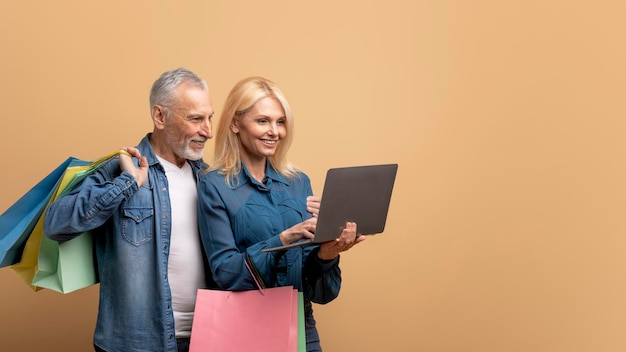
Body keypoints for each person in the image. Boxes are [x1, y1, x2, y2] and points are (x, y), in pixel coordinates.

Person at [43, 68, 215, 352]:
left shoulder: (210, 179)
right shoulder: (118, 170)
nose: (208, 131)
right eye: (196, 119)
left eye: (209, 117)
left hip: (205, 339)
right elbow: (55, 224)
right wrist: (125, 184)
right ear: (160, 116)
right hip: (136, 343)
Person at [197, 76, 366, 351]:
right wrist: (284, 238)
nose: (274, 131)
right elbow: (225, 273)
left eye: (280, 121)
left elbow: (318, 291)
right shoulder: (214, 185)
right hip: (242, 332)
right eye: (263, 121)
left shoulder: (299, 182)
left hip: (301, 326)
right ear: (235, 123)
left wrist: (328, 253)